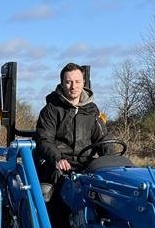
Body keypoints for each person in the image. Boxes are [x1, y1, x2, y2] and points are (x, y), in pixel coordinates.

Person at [34, 62, 109, 200]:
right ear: (62, 84)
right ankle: (57, 221)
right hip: (59, 164)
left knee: (109, 182)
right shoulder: (51, 110)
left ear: (83, 83)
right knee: (59, 183)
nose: (73, 86)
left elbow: (103, 140)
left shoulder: (91, 111)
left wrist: (112, 159)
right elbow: (44, 140)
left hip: (85, 164)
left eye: (77, 81)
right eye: (68, 82)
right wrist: (58, 158)